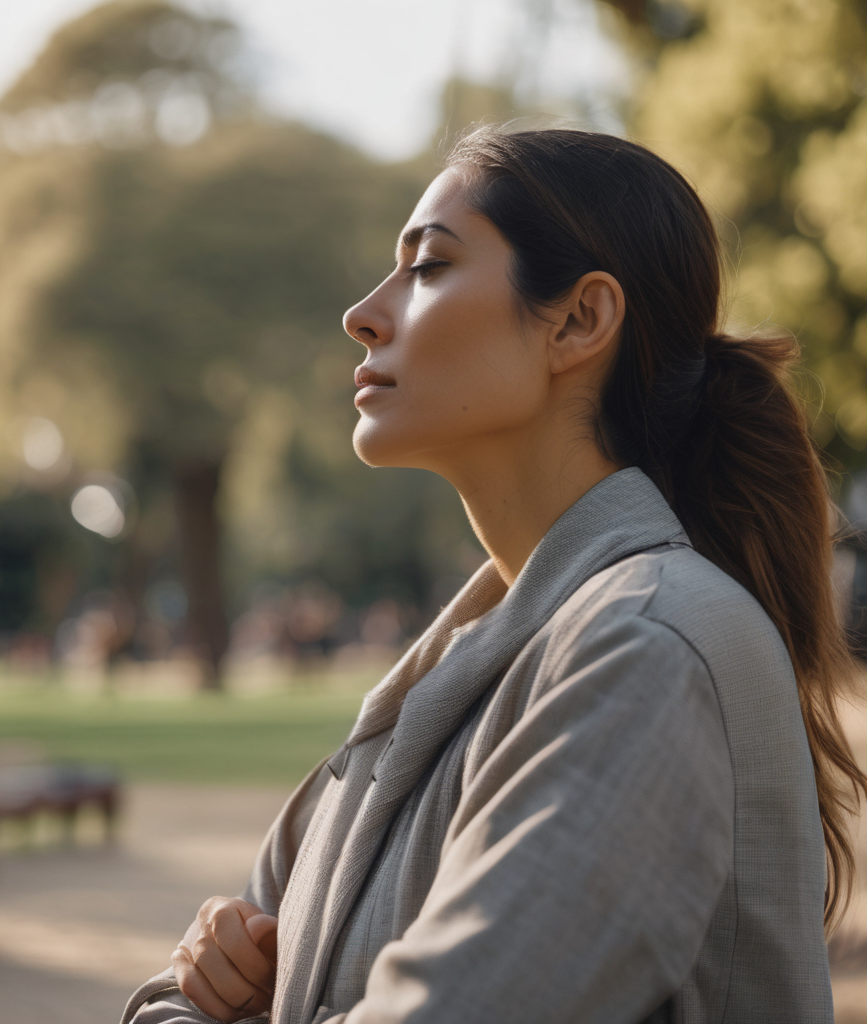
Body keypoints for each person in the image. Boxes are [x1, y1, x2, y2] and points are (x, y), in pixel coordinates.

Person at [121, 127, 867, 1024]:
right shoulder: (448, 672)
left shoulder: (651, 648)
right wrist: (206, 973)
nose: (364, 312)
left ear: (580, 320)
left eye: (429, 267)